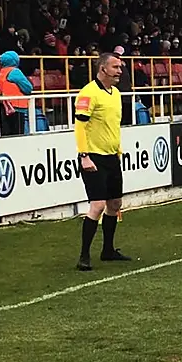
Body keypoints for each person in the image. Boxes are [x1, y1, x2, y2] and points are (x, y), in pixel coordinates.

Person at [74, 52, 131, 271]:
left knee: (115, 204)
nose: (120, 71)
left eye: (120, 67)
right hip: (93, 157)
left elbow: (112, 125)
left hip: (111, 157)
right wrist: (84, 155)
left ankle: (108, 250)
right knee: (97, 205)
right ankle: (84, 255)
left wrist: (118, 150)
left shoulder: (115, 93)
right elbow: (80, 126)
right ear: (103, 69)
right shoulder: (88, 93)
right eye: (116, 67)